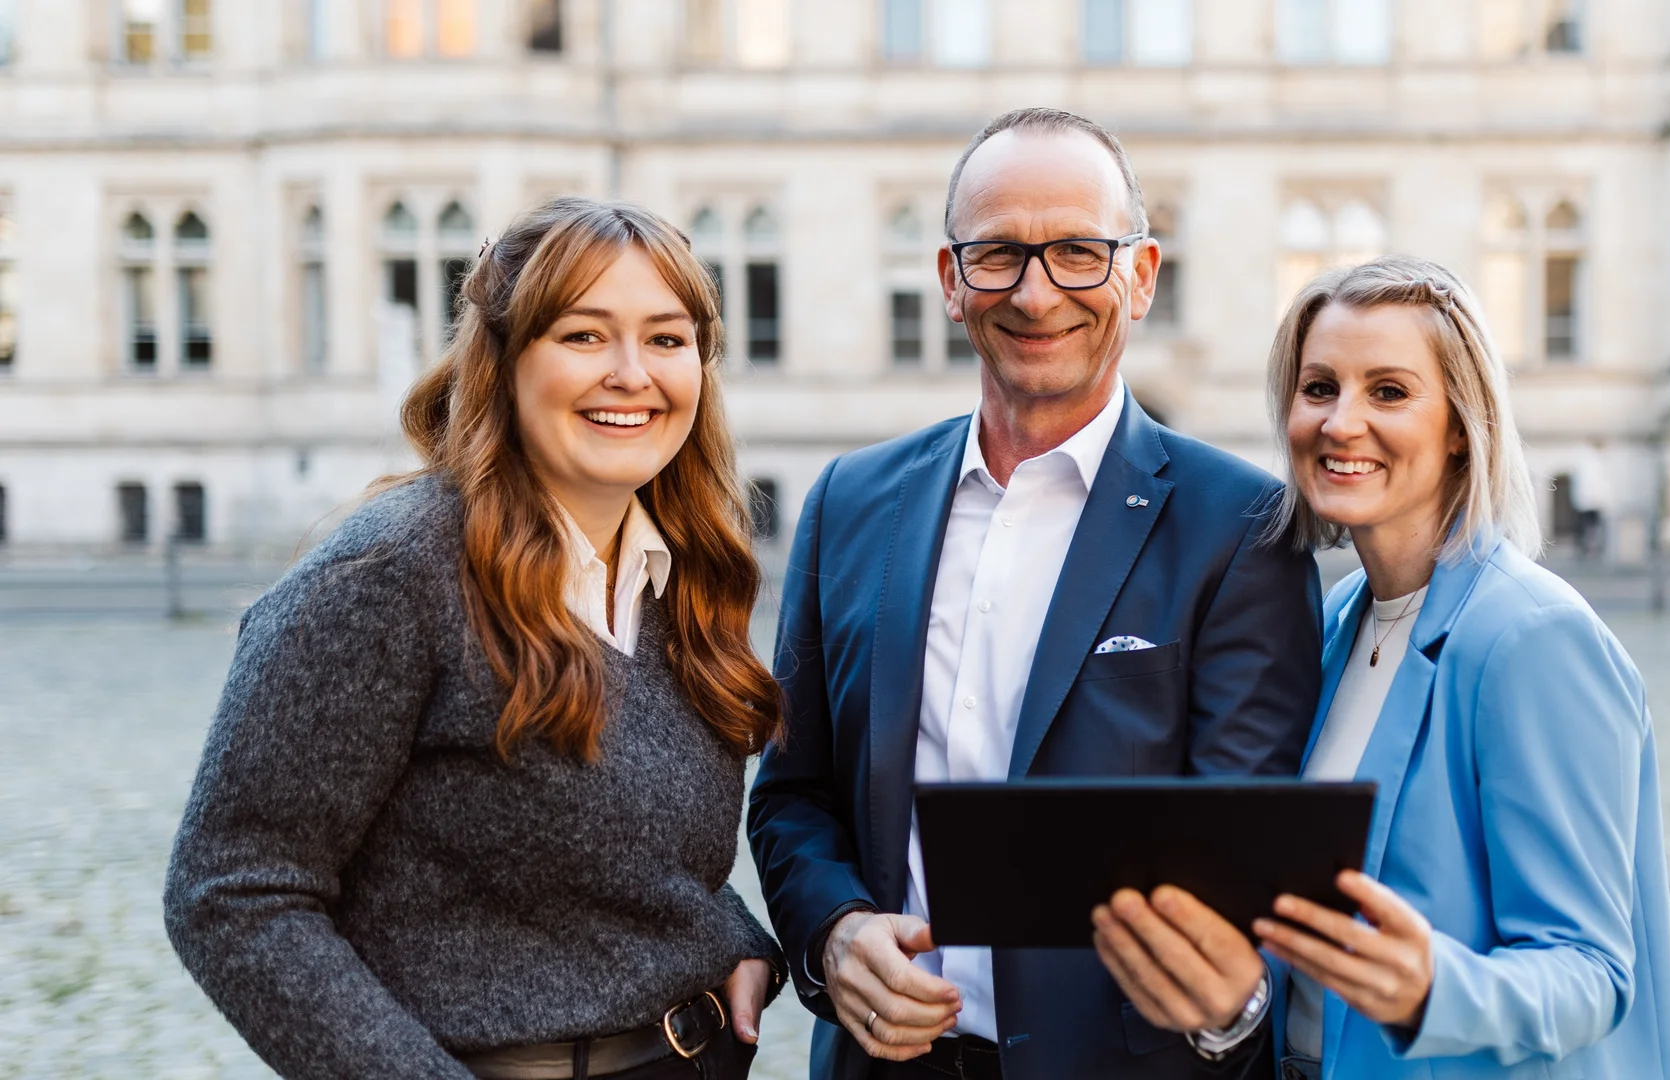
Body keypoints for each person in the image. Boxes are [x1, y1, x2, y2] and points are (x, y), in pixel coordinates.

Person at [747, 107, 1324, 1080]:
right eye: (999, 254)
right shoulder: (850, 503)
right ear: (949, 281)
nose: (1036, 289)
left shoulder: (1244, 529)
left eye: (1078, 252)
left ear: (1141, 278)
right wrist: (833, 934)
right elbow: (794, 797)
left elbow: (1240, 852)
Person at [164, 197, 787, 1080]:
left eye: (666, 338)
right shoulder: (389, 575)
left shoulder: (680, 572)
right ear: (503, 360)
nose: (630, 373)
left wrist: (726, 934)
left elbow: (625, 850)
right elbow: (230, 893)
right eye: (582, 335)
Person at [1091, 255, 1670, 1078]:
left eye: (1389, 391)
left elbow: (1592, 974)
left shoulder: (1532, 639)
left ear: (1458, 426)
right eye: (1319, 387)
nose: (1341, 422)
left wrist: (1430, 988)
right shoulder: (1334, 620)